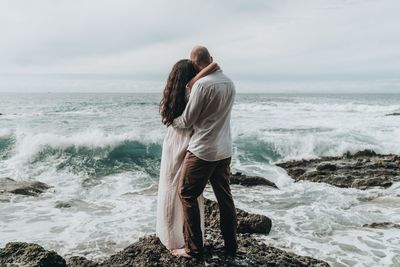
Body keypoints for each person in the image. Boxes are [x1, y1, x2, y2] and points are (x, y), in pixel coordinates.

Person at [171, 46, 237, 259]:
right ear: (211, 59)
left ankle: (193, 248)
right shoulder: (229, 82)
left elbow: (187, 120)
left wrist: (171, 120)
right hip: (224, 149)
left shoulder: (202, 85)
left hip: (203, 151)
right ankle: (231, 245)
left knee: (187, 193)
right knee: (224, 198)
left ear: (195, 64)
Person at [156, 59, 219, 252]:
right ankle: (181, 239)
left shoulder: (174, 92)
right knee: (188, 191)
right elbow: (214, 66)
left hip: (173, 141)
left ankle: (171, 237)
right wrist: (208, 66)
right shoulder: (192, 91)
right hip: (187, 141)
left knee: (171, 187)